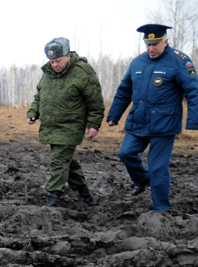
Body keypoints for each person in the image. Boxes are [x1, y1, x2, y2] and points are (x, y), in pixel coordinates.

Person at [107, 24, 198, 212]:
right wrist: (114, 115)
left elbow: (193, 91)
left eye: (155, 44)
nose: (151, 48)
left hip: (164, 125)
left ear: (165, 41)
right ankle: (142, 179)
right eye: (148, 44)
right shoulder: (138, 62)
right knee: (125, 153)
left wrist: (194, 120)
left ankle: (161, 209)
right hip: (138, 121)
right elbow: (124, 90)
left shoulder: (179, 61)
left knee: (158, 167)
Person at [27, 37, 105, 208]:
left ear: (68, 56)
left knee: (59, 161)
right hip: (51, 126)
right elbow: (39, 96)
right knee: (66, 161)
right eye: (52, 61)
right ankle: (84, 193)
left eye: (58, 61)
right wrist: (34, 112)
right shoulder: (48, 73)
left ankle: (54, 196)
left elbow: (95, 101)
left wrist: (94, 124)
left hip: (71, 125)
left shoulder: (82, 72)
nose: (54, 65)